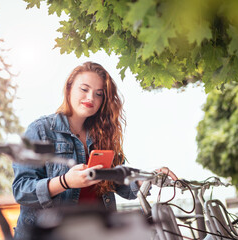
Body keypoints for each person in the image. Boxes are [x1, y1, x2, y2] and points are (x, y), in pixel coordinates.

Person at [12, 62, 177, 239]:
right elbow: (21, 190)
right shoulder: (40, 130)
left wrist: (149, 178)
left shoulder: (102, 136)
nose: (91, 97)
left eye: (99, 94)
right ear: (69, 89)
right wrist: (65, 181)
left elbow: (119, 183)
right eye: (84, 89)